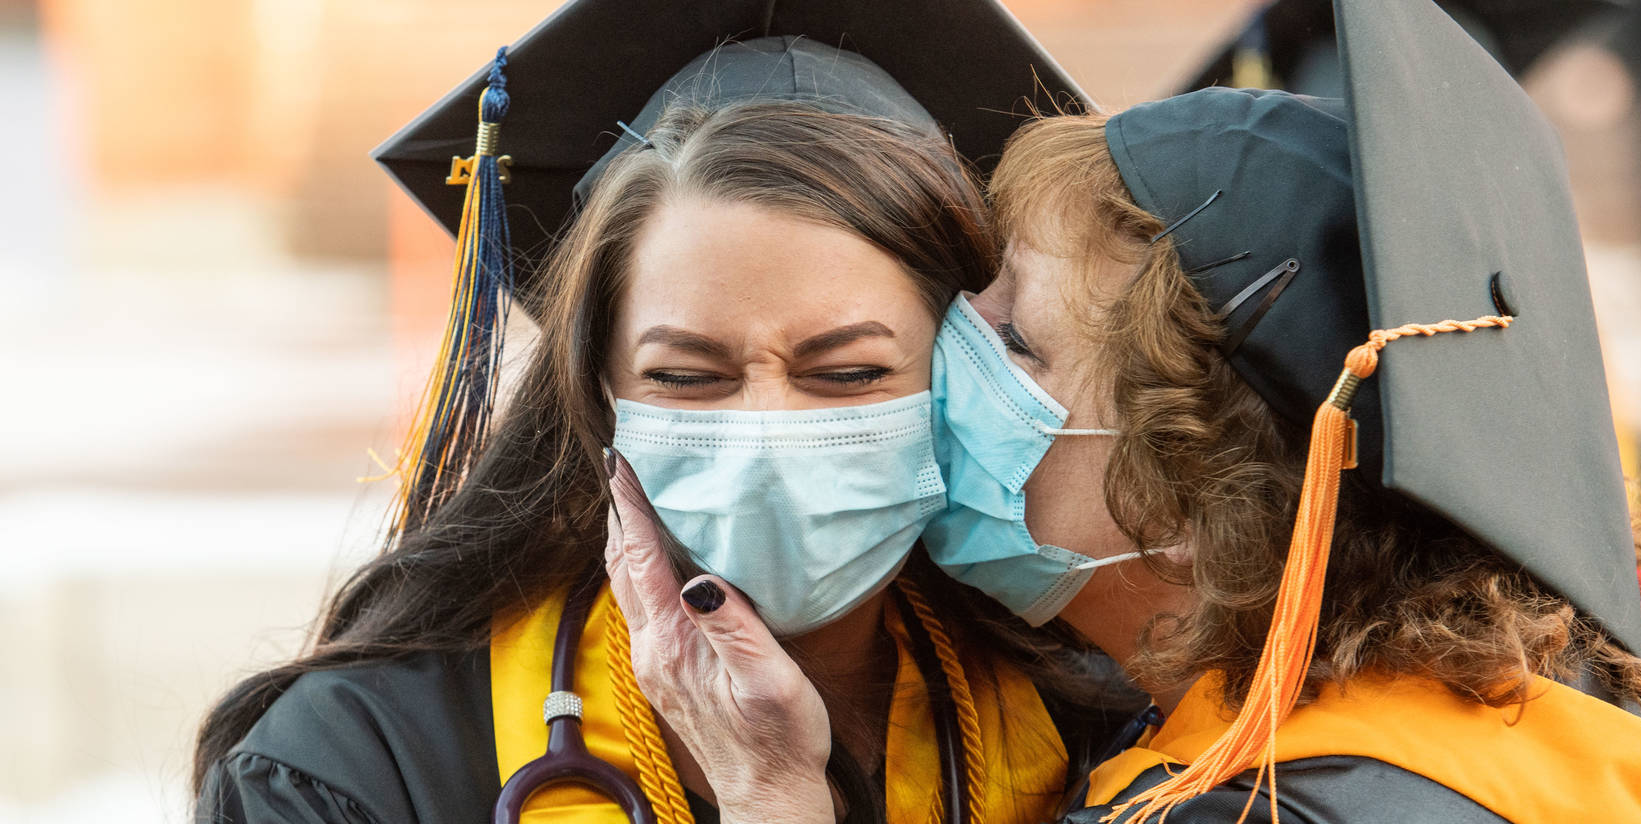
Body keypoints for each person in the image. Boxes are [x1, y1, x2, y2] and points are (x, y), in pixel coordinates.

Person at [630, 2, 1641, 821]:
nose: (949, 371)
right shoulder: (1590, 663)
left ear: (1201, 501)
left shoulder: (1277, 806)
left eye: (1017, 343)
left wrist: (771, 799)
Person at [191, 2, 1140, 822]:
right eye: (688, 378)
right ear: (594, 389)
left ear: (959, 378)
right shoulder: (365, 763)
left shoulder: (1099, 723)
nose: (767, 435)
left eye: (847, 374)